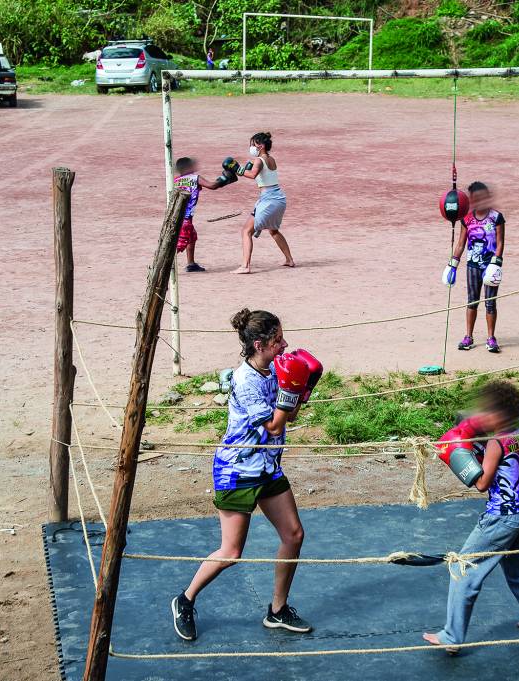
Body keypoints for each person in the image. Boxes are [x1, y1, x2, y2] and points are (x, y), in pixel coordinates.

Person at [171, 309, 323, 641]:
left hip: (267, 467)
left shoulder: (274, 371)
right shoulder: (245, 380)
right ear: (260, 344)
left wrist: (303, 387)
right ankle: (185, 600)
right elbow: (272, 424)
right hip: (237, 470)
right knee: (231, 552)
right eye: (278, 340)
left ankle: (278, 610)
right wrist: (292, 390)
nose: (284, 345)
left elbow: (290, 416)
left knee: (293, 535)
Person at [423, 380, 519, 652]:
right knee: (518, 568)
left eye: (487, 412)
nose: (481, 415)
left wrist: (459, 457)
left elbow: (483, 483)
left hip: (501, 518)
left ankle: (451, 637)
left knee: (461, 567)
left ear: (500, 415)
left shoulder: (496, 442)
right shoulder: (518, 433)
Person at [442, 181, 506, 352]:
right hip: (473, 266)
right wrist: (452, 264)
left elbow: (500, 243)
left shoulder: (496, 217)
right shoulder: (467, 219)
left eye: (483, 197)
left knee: (490, 302)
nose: (480, 201)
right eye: (476, 198)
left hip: (490, 266)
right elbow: (461, 243)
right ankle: (468, 336)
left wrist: (496, 263)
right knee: (472, 301)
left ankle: (491, 337)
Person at [229, 132, 295, 274]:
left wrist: (236, 169)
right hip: (279, 199)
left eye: (253, 144)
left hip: (268, 200)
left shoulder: (259, 160)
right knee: (273, 230)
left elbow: (253, 175)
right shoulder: (271, 159)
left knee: (246, 231)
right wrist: (244, 167)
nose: (251, 147)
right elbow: (259, 171)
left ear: (261, 145)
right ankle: (289, 260)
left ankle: (245, 266)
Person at [172, 156, 235, 272]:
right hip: (185, 218)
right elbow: (212, 186)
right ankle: (166, 265)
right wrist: (225, 177)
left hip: (176, 215)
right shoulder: (195, 178)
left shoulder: (175, 180)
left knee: (192, 237)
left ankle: (191, 264)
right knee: (180, 244)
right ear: (188, 167)